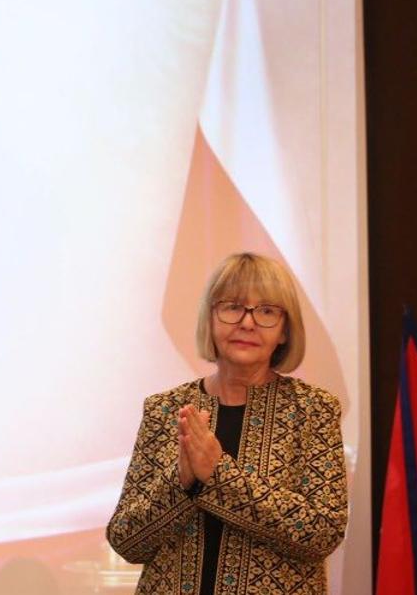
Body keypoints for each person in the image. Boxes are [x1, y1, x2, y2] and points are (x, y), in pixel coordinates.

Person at [106, 252, 348, 594]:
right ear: (211, 318)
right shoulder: (165, 410)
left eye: (266, 311)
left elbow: (322, 533)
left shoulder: (314, 410)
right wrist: (182, 482)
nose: (247, 323)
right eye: (232, 306)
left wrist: (218, 476)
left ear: (284, 331)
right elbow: (126, 540)